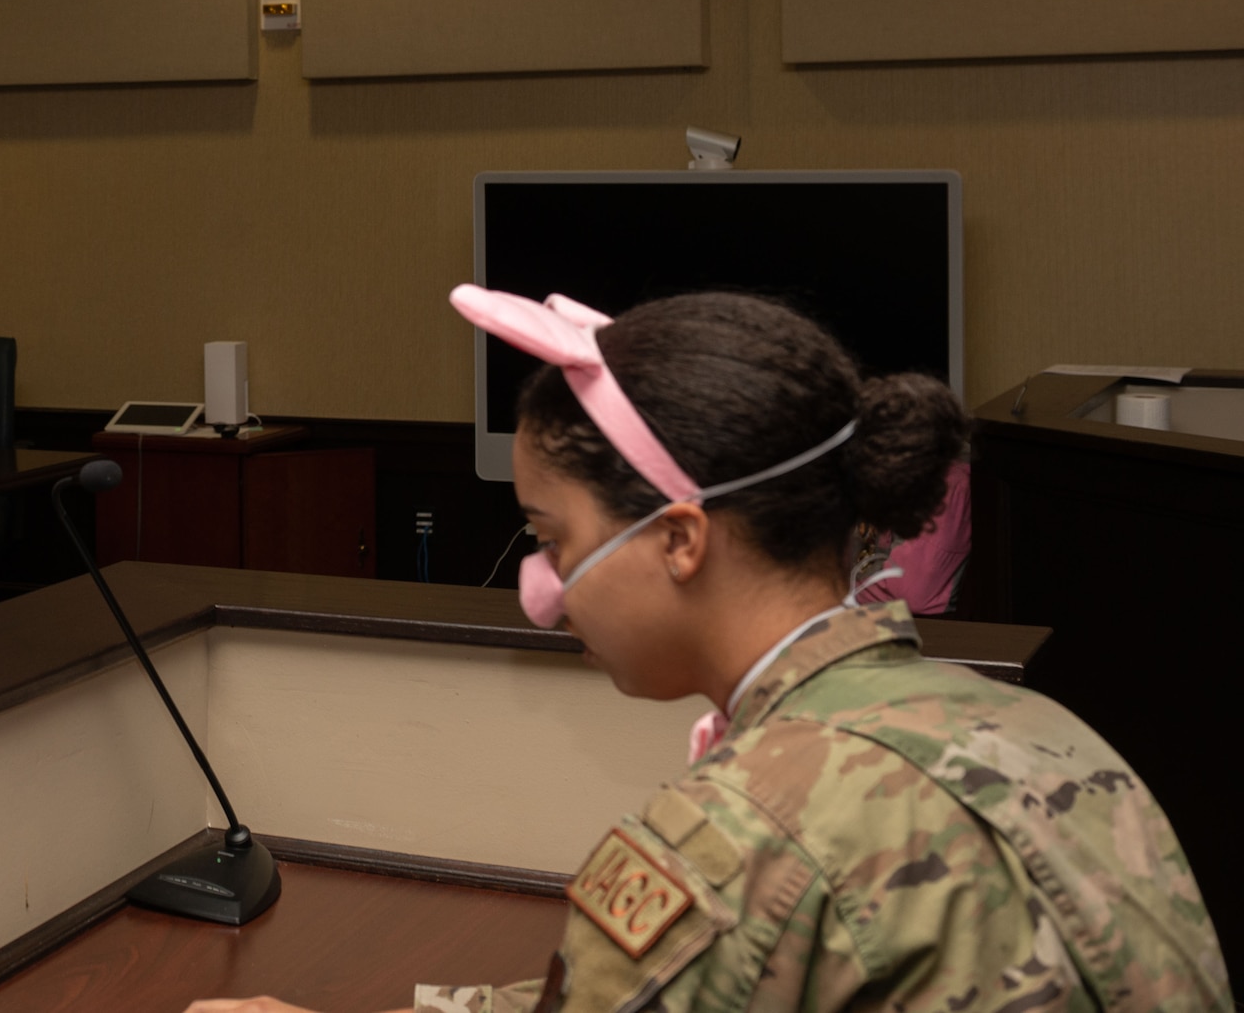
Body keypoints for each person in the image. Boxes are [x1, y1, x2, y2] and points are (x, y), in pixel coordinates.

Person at [184, 289, 1229, 1013]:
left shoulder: (734, 832)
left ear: (679, 537)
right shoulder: (1041, 731)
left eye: (553, 539)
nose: (540, 598)